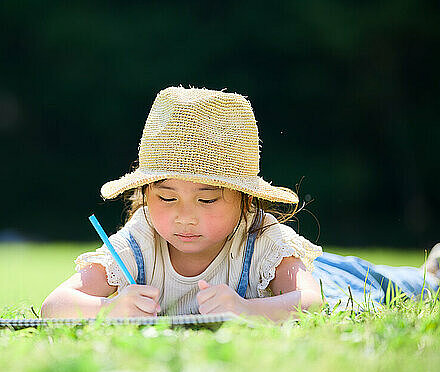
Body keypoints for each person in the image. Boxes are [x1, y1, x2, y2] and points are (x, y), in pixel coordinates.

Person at [40, 86, 439, 321]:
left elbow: (313, 301)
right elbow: (54, 304)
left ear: (246, 201)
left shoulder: (263, 237)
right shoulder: (140, 239)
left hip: (329, 280)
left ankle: (432, 271)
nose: (184, 215)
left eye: (208, 197)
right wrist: (110, 310)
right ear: (144, 195)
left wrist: (245, 310)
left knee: (396, 286)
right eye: (165, 197)